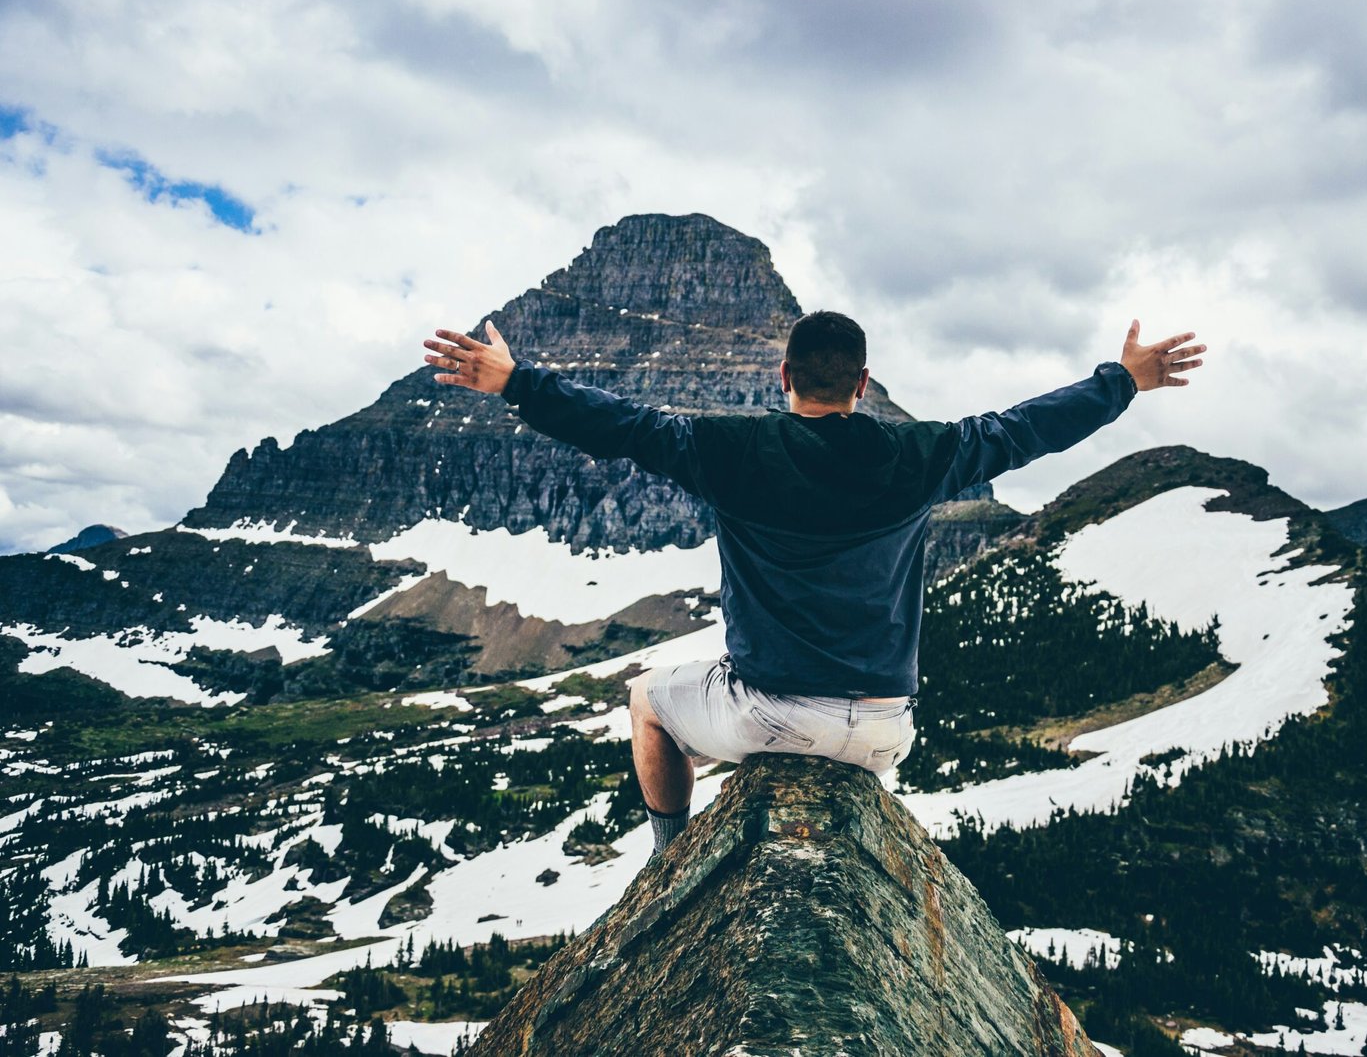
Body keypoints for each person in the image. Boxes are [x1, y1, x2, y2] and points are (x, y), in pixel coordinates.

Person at [423, 312, 1204, 857]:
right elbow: (1025, 428)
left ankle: (667, 862)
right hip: (884, 728)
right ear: (863, 382)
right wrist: (1122, 380)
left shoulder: (729, 449)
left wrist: (516, 380)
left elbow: (621, 425)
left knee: (646, 700)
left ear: (784, 375)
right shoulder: (919, 457)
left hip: (772, 715)